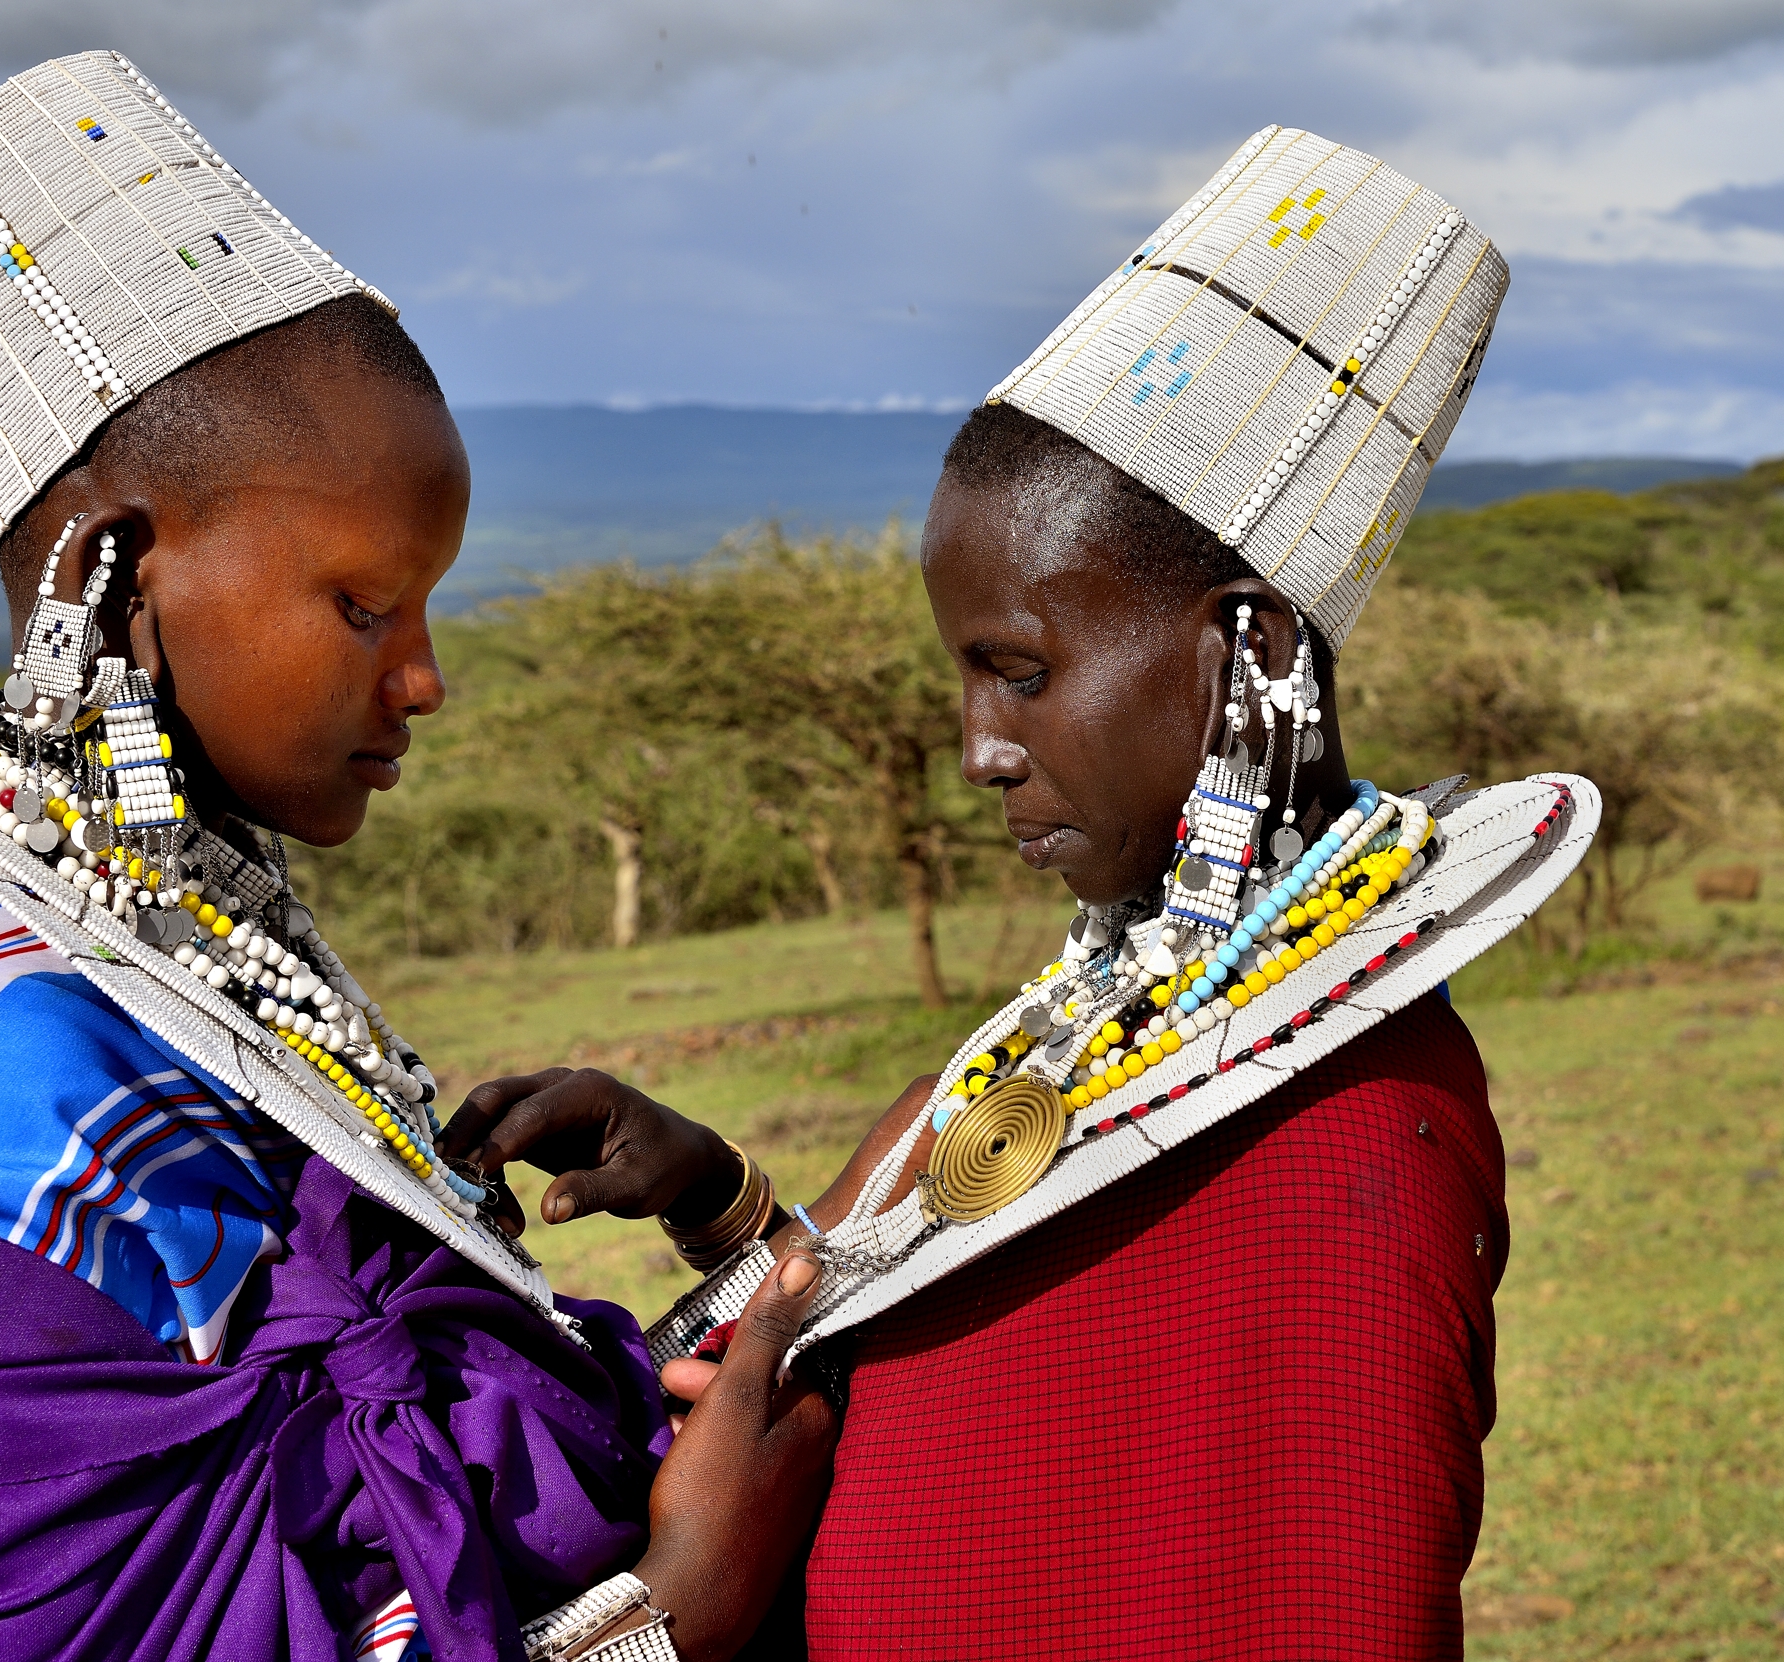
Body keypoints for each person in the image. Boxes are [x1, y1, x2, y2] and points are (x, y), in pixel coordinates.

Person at [0, 51, 834, 1662]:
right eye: (365, 605)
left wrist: (717, 1205)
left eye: (429, 604)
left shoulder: (141, 938)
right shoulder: (16, 1056)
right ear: (112, 571)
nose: (423, 675)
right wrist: (679, 1614)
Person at [456, 127, 1595, 1658]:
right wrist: (717, 1199)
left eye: (1022, 671)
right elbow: (913, 1342)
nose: (982, 751)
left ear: (1244, 652)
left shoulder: (1347, 1145)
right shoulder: (1095, 1025)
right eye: (965, 680)